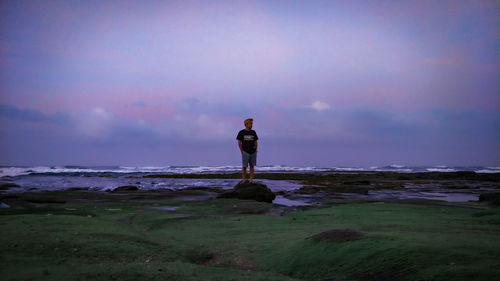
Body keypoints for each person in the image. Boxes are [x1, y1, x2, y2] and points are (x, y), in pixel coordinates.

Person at [236, 118, 258, 183]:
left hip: (253, 152)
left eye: (252, 124)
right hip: (245, 152)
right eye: (250, 124)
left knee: (252, 166)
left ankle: (251, 180)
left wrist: (256, 149)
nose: (251, 125)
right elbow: (239, 142)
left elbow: (256, 141)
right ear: (246, 124)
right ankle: (244, 180)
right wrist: (242, 151)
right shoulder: (241, 132)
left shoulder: (253, 132)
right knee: (244, 166)